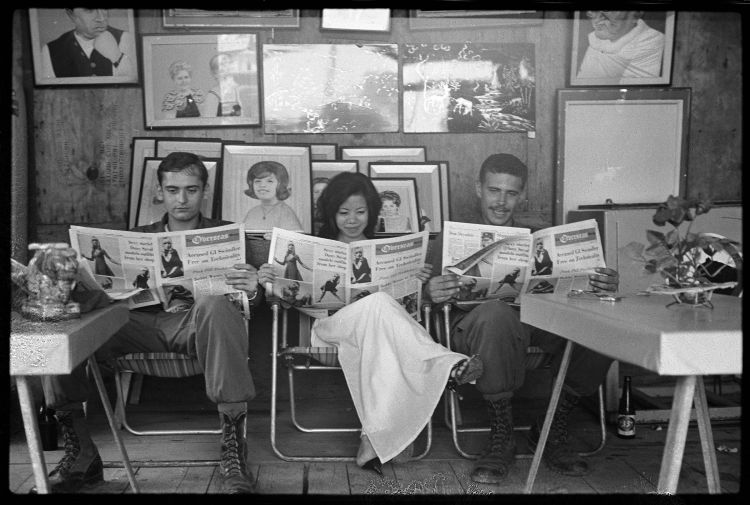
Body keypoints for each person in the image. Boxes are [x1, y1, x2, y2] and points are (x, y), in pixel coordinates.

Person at [40, 152, 262, 494]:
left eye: (191, 189)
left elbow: (247, 304)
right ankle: (80, 452)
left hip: (194, 325)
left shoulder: (226, 234)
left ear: (204, 190)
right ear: (160, 191)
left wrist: (253, 289)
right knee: (64, 318)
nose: (182, 199)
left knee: (217, 304)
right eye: (173, 190)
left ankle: (234, 451)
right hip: (137, 325)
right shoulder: (138, 238)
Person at [258, 172, 483, 474]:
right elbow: (287, 298)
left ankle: (374, 439)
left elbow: (409, 311)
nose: (352, 220)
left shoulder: (383, 254)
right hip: (327, 331)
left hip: (380, 337)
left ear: (371, 212)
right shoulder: (312, 248)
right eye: (344, 212)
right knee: (377, 304)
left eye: (360, 212)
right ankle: (445, 365)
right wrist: (270, 281)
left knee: (379, 312)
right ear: (331, 212)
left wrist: (416, 287)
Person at [425, 153, 619, 484]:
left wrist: (601, 283)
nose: (501, 202)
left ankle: (551, 426)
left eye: (511, 193)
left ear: (522, 194)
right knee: (496, 315)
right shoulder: (449, 238)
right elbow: (421, 300)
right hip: (475, 328)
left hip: (537, 322)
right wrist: (431, 290)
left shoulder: (537, 237)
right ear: (478, 189)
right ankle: (502, 436)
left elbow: (576, 291)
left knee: (603, 324)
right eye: (494, 190)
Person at [40, 8, 135, 79]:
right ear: (71, 15)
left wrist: (117, 57)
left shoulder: (126, 38)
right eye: (89, 10)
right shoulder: (50, 50)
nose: (101, 18)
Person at [577, 11, 665, 82]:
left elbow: (631, 94)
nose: (595, 19)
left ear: (635, 14)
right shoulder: (597, 39)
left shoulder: (651, 40)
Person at [242, 161, 304, 232]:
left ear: (280, 184)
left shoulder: (286, 213)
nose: (262, 185)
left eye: (269, 181)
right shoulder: (252, 212)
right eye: (258, 181)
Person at [203, 52, 248, 117]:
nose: (228, 66)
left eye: (230, 62)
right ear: (215, 74)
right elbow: (208, 121)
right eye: (222, 64)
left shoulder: (242, 90)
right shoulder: (213, 95)